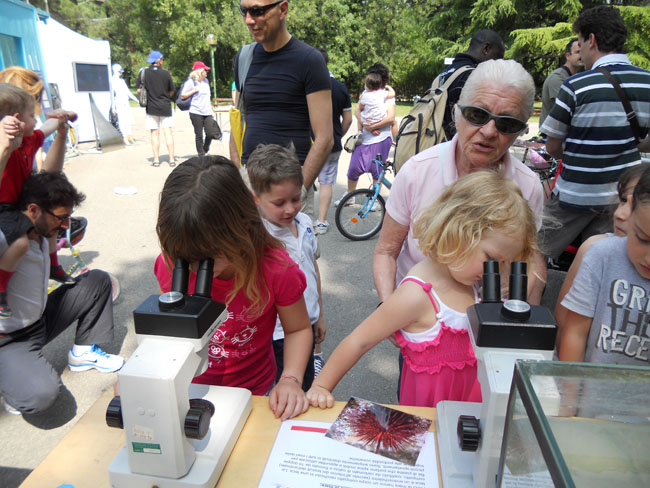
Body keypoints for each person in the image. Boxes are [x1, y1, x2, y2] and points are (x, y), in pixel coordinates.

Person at [307, 171, 538, 408]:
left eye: (503, 263)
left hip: (469, 412)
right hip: (429, 419)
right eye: (491, 258)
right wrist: (321, 386)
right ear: (459, 229)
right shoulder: (417, 295)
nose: (496, 271)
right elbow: (359, 341)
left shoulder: (473, 284)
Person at [373, 59, 546, 307]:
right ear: (457, 112)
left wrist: (524, 317)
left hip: (490, 326)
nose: (488, 131)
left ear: (520, 131)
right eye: (477, 114)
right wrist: (388, 307)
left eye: (507, 123)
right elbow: (386, 251)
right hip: (420, 323)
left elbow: (530, 260)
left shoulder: (528, 187)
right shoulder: (417, 172)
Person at [154, 155, 312, 420]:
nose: (194, 270)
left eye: (206, 259)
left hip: (253, 392)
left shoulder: (276, 270)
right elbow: (169, 332)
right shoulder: (170, 264)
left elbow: (298, 329)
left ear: (241, 227)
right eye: (187, 261)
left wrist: (291, 379)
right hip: (189, 388)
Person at [0, 171, 124, 415]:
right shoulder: (6, 238)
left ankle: (83, 353)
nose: (66, 224)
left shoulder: (43, 231)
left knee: (97, 281)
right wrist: (5, 146)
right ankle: (13, 383)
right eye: (61, 218)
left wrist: (59, 132)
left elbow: (50, 166)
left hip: (39, 319)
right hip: (10, 339)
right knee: (41, 396)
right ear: (33, 210)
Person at [539, 5, 650, 263]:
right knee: (600, 260)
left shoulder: (576, 85)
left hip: (574, 195)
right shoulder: (647, 82)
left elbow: (552, 146)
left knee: (535, 254)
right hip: (620, 196)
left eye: (579, 41)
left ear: (592, 40)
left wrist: (583, 150)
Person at [231, 0, 333, 220]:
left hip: (291, 187)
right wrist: (239, 179)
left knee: (295, 254)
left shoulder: (309, 60)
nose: (249, 20)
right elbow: (238, 120)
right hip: (250, 186)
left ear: (283, 9)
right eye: (244, 11)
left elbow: (325, 138)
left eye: (257, 11)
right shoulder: (244, 58)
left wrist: (297, 194)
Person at [246, 144, 324, 390]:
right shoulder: (257, 236)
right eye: (279, 203)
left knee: (306, 385)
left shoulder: (305, 222)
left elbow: (312, 266)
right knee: (284, 391)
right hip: (278, 333)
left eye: (296, 198)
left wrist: (319, 313)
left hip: (307, 324)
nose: (290, 208)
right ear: (256, 198)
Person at [557, 165, 650, 365]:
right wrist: (570, 392)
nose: (620, 214)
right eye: (643, 238)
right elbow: (568, 329)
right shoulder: (599, 252)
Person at [0, 83, 78, 317]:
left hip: (21, 200)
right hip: (5, 208)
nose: (37, 119)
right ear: (17, 120)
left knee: (52, 222)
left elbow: (48, 126)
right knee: (23, 242)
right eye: (32, 114)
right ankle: (1, 288)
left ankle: (53, 264)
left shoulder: (29, 139)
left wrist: (63, 117)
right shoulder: (7, 145)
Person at [337, 64, 395, 205]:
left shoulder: (386, 96)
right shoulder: (366, 93)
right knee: (353, 168)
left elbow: (391, 118)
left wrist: (371, 127)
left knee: (377, 170)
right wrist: (365, 127)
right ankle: (350, 195)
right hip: (364, 138)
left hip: (380, 138)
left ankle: (373, 200)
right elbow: (357, 111)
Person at [435, 29, 505, 140]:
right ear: (486, 49)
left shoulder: (446, 72)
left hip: (432, 143)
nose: (497, 64)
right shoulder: (473, 76)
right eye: (498, 57)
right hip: (453, 148)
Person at [314, 48, 352, 235]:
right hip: (332, 143)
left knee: (298, 180)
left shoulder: (304, 85)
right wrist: (338, 135)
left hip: (308, 142)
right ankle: (321, 221)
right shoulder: (339, 87)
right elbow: (348, 119)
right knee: (326, 182)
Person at [137, 50, 176, 167]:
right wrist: (165, 97)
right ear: (159, 61)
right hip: (165, 107)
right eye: (162, 59)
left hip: (151, 107)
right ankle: (171, 159)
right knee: (168, 133)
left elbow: (139, 90)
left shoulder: (143, 72)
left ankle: (156, 160)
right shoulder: (166, 73)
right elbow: (172, 90)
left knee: (154, 134)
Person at [538, 38, 583, 129]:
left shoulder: (576, 77)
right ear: (567, 56)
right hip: (551, 136)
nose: (581, 55)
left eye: (583, 52)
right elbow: (565, 110)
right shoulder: (557, 78)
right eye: (578, 52)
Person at [180, 61, 221, 157]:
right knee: (199, 135)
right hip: (196, 112)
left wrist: (211, 109)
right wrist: (194, 90)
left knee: (210, 133)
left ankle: (205, 147)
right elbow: (183, 95)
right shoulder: (191, 82)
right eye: (205, 70)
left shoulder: (206, 82)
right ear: (199, 71)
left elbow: (207, 98)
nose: (207, 72)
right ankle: (201, 154)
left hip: (207, 112)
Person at [111, 63, 138, 145]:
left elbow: (127, 92)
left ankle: (129, 135)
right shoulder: (112, 81)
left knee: (128, 119)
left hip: (125, 102)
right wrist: (113, 107)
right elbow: (112, 95)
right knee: (122, 121)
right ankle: (124, 137)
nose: (121, 73)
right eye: (119, 71)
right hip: (118, 102)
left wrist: (136, 99)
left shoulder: (122, 81)